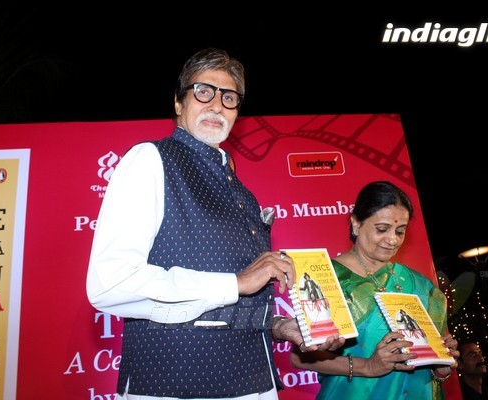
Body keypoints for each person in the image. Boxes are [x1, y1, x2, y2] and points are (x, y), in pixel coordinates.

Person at [86, 47, 343, 400]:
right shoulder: (151, 160)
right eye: (203, 91)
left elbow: (236, 304)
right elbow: (110, 283)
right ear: (179, 103)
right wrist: (236, 281)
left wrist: (282, 327)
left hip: (255, 382)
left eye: (229, 97)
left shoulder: (244, 194)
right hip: (176, 383)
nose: (217, 105)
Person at [290, 180, 459, 400]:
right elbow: (299, 358)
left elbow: (432, 365)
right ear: (356, 223)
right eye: (382, 229)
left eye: (400, 231)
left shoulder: (421, 285)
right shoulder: (326, 277)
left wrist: (441, 366)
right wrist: (368, 366)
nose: (392, 240)